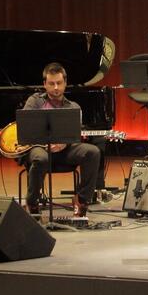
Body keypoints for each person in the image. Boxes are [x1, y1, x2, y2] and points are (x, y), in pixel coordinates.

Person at [22, 62, 100, 217]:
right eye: (51, 83)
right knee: (41, 158)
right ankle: (32, 202)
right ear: (44, 84)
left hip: (65, 151)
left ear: (65, 83)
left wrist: (64, 143)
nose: (56, 87)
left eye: (59, 83)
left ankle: (82, 200)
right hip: (39, 148)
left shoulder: (73, 107)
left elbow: (75, 136)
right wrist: (46, 142)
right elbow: (26, 131)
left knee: (93, 152)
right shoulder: (34, 101)